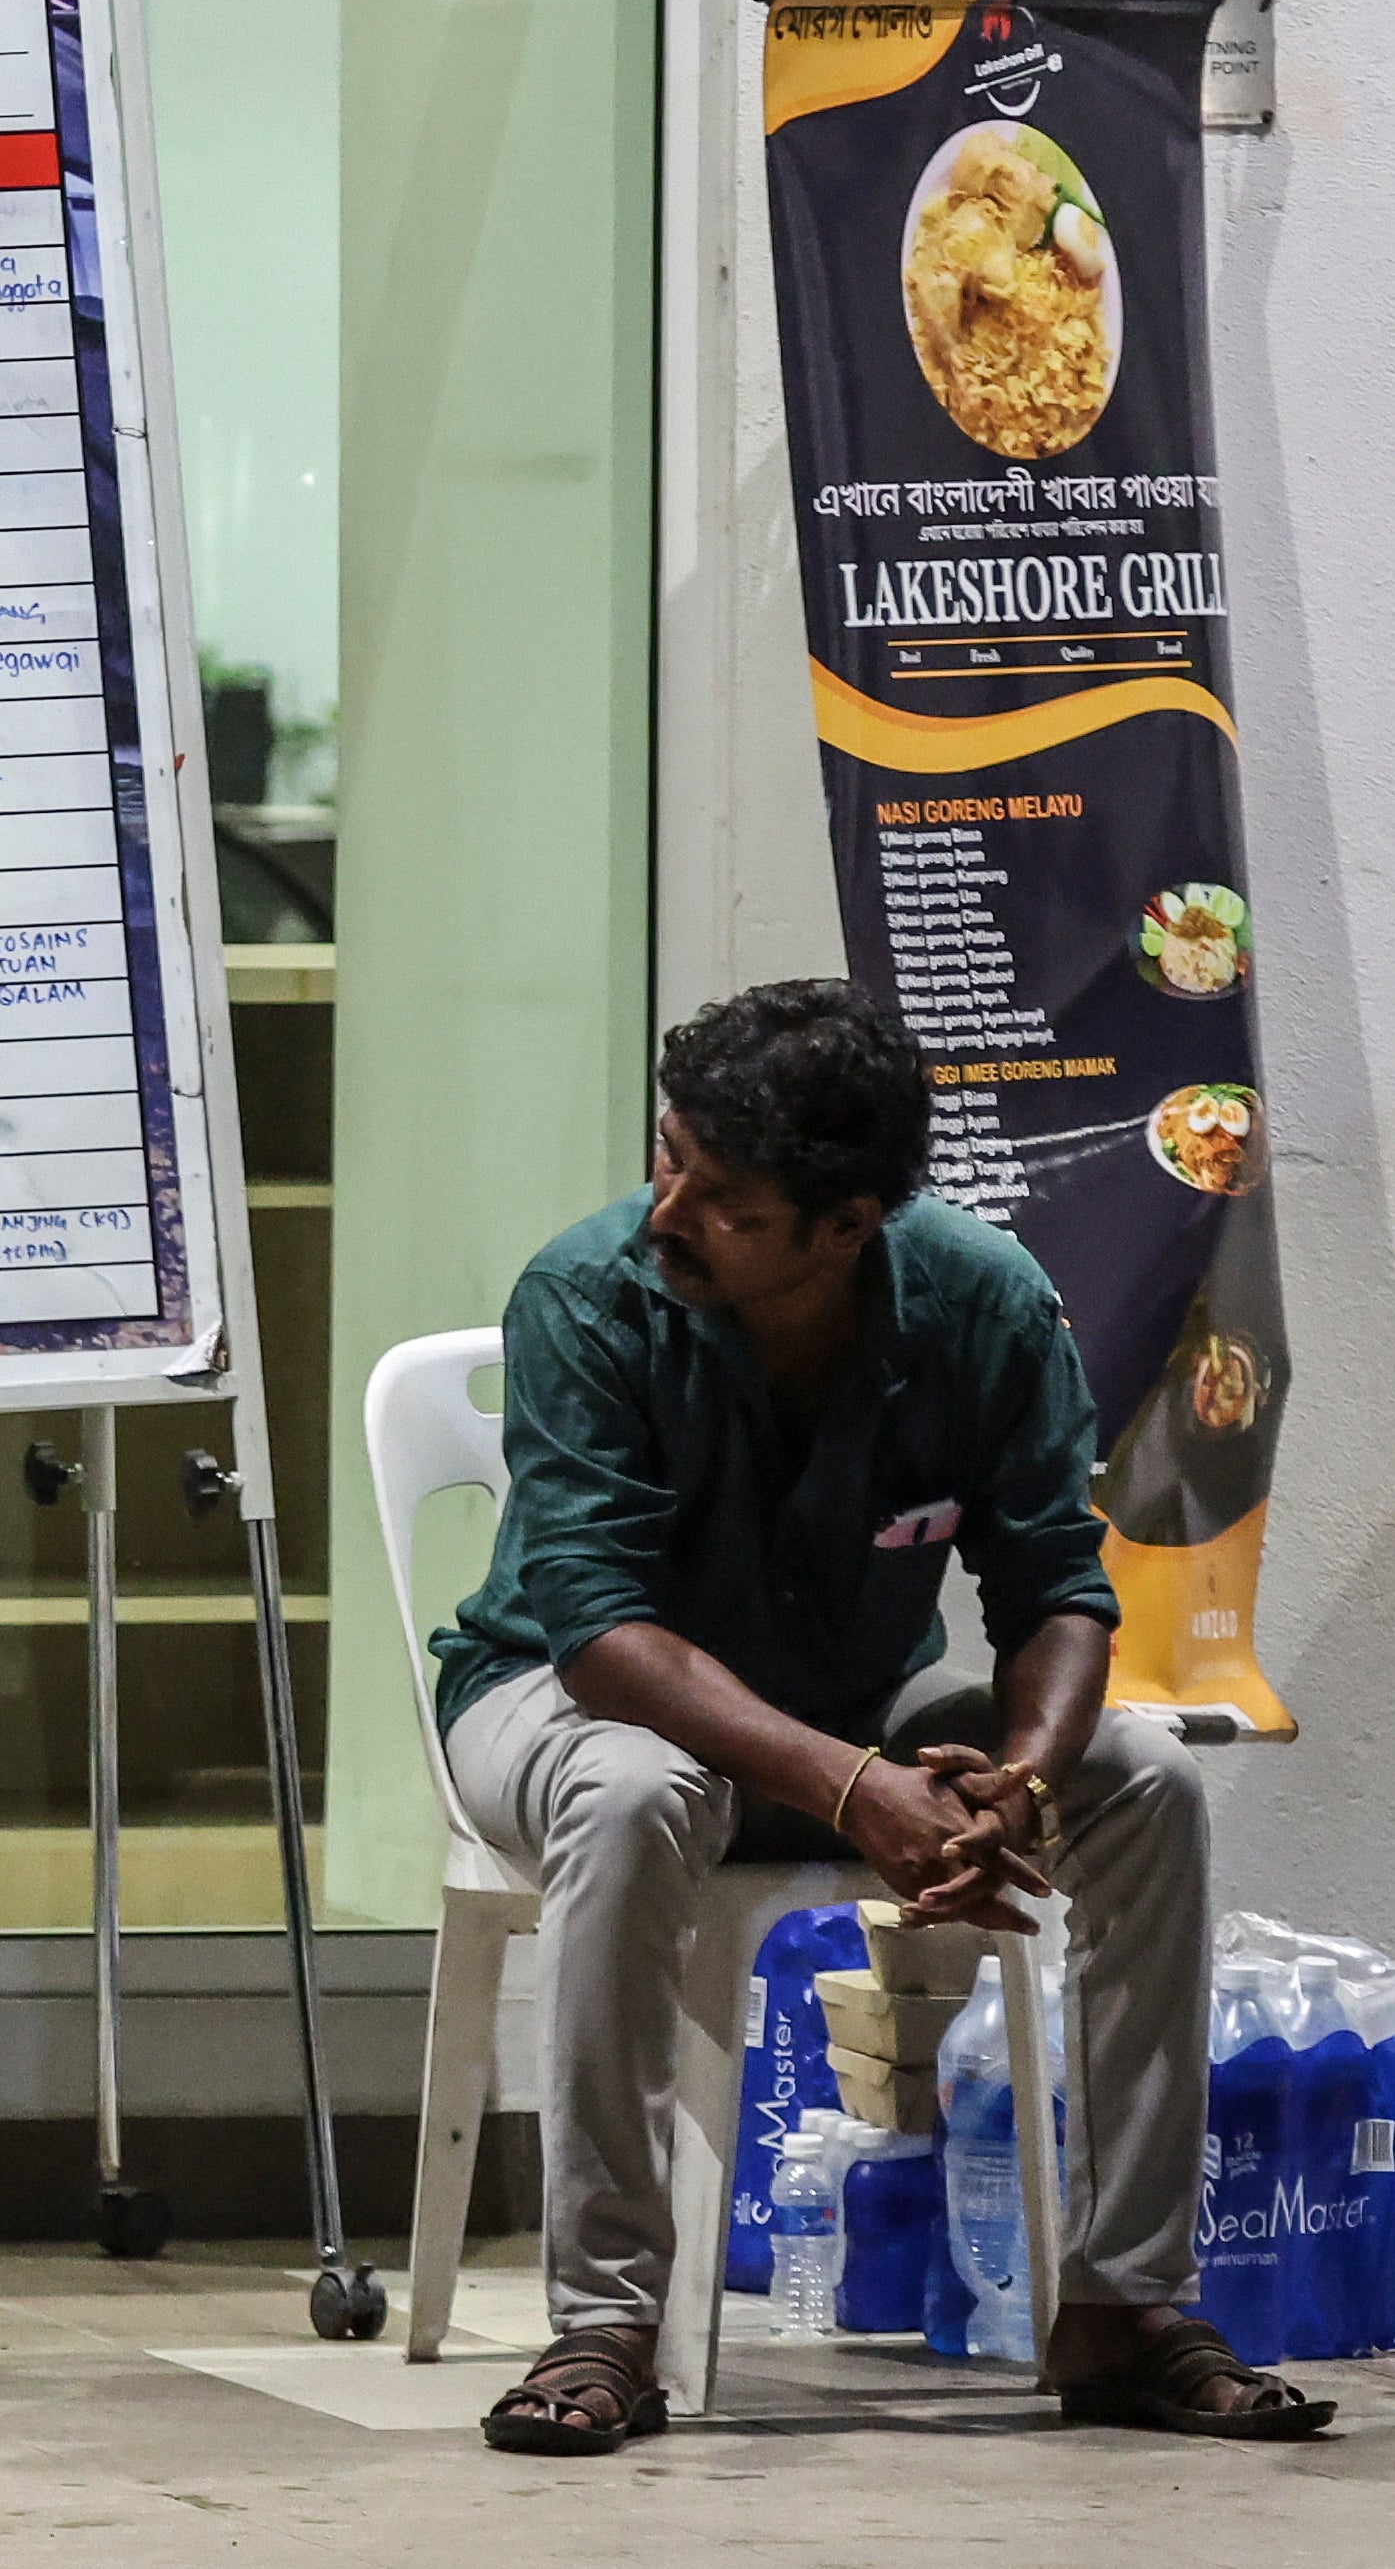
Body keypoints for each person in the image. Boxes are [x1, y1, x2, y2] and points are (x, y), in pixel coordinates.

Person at [434, 979, 1322, 2451]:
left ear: (847, 1224)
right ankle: (604, 2322)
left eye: (722, 1198)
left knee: (1147, 1777)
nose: (667, 1210)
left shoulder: (980, 1300)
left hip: (855, 1691)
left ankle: (1125, 2301)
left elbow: (1054, 1585)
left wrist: (1023, 1778)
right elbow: (598, 1635)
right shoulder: (589, 1295)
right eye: (669, 1158)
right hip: (558, 1697)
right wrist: (861, 1788)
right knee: (635, 1792)